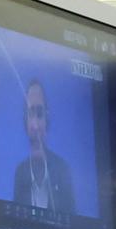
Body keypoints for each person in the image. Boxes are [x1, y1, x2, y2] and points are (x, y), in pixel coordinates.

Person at [11, 76, 77, 215]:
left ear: (47, 121)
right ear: (25, 122)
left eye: (40, 114)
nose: (35, 125)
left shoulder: (62, 171)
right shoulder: (20, 174)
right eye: (30, 114)